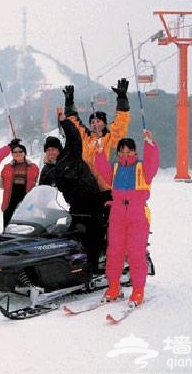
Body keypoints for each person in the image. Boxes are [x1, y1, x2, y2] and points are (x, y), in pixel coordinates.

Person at [63, 80, 131, 266]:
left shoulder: (110, 139)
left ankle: (106, 253)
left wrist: (122, 99)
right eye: (92, 121)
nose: (94, 123)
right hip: (84, 189)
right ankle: (83, 255)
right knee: (82, 223)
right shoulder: (85, 137)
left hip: (104, 189)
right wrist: (69, 102)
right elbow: (73, 123)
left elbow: (121, 124)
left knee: (104, 224)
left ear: (104, 123)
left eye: (98, 120)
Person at [95, 130, 159, 306]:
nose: (125, 154)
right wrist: (100, 153)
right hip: (117, 214)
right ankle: (114, 287)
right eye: (121, 151)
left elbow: (153, 162)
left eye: (128, 150)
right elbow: (102, 169)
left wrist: (149, 144)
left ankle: (138, 291)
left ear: (134, 152)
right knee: (114, 252)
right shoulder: (115, 168)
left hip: (137, 215)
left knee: (136, 253)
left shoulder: (142, 168)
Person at [38, 108, 103, 273]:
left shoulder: (71, 155)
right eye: (48, 150)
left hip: (92, 199)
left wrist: (64, 121)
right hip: (75, 204)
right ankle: (75, 266)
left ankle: (93, 268)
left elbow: (74, 136)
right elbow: (42, 192)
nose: (51, 152)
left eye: (54, 149)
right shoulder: (47, 170)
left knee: (92, 233)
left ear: (59, 150)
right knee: (74, 234)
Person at [0, 143, 40, 228]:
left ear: (24, 153)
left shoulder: (34, 167)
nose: (17, 153)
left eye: (20, 151)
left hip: (26, 199)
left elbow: (38, 184)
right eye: (14, 152)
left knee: (26, 226)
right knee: (8, 225)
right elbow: (1, 185)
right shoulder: (7, 167)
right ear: (12, 154)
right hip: (10, 199)